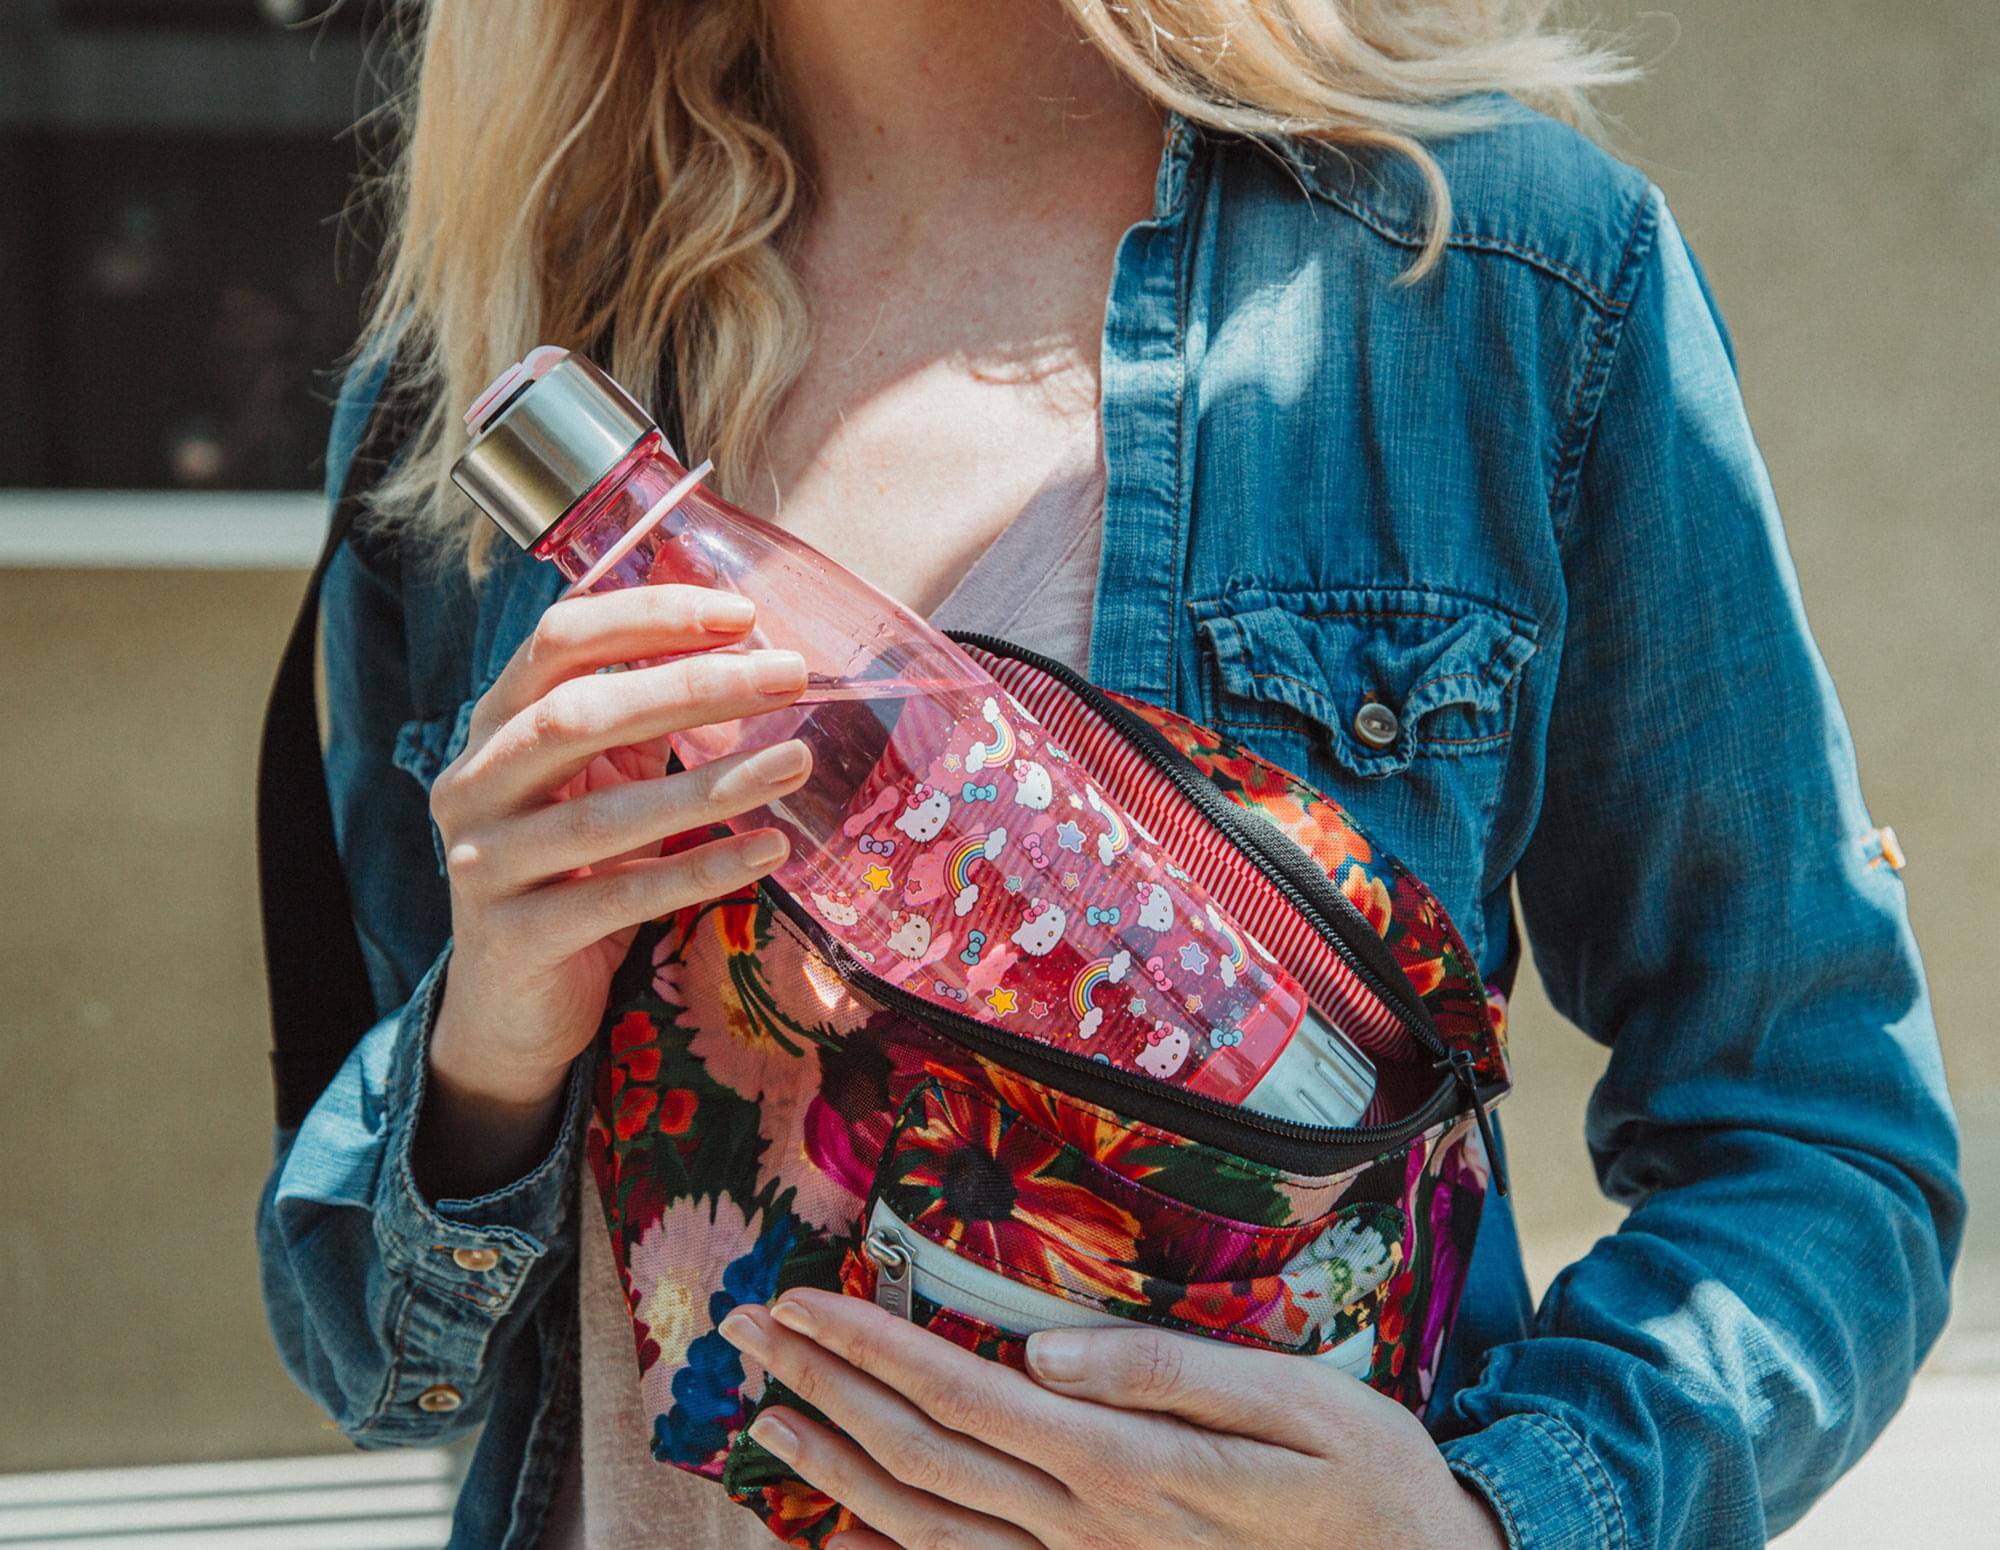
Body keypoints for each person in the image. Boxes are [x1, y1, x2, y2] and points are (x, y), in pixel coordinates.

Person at [257, 2, 1964, 1547]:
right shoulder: (484, 379)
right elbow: (378, 1350)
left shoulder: (1503, 282)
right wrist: (492, 1039)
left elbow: (1822, 1140)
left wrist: (1488, 1520)